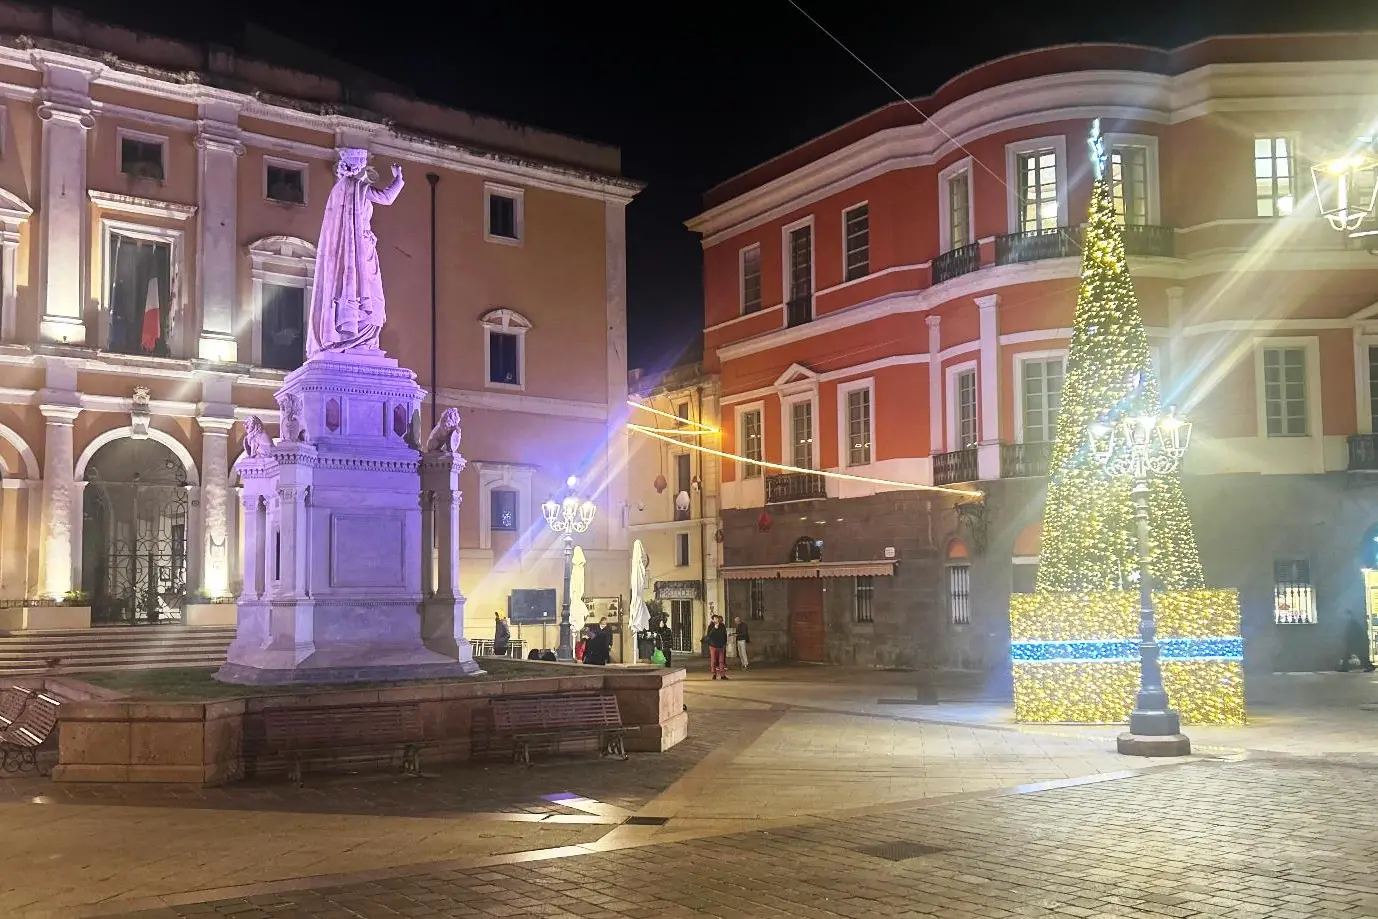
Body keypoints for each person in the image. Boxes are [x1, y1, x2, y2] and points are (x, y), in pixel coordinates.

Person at [706, 614, 729, 680]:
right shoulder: (711, 626)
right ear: (713, 620)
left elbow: (725, 635)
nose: (717, 620)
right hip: (713, 646)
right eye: (715, 619)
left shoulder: (722, 626)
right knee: (713, 661)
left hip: (721, 646)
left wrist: (725, 643)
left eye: (717, 618)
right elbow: (709, 635)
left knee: (721, 661)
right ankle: (714, 674)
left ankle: (722, 675)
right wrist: (715, 628)